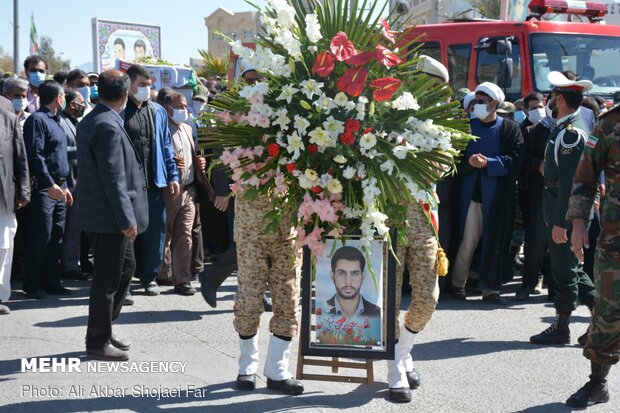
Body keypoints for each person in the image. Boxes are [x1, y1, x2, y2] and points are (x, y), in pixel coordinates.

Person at [77, 69, 148, 361]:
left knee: (126, 269)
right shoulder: (106, 124)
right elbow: (113, 178)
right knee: (107, 280)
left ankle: (105, 328)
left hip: (103, 215)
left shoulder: (96, 118)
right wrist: (125, 219)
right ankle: (97, 340)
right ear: (124, 94)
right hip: (109, 218)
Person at [387, 56, 446, 404]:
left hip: (422, 220)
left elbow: (437, 167)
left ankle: (405, 350)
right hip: (389, 220)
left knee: (427, 297)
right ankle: (395, 371)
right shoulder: (384, 116)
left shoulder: (438, 125)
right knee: (390, 300)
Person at [530, 71, 596, 345]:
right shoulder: (563, 130)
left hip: (567, 214)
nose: (549, 101)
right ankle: (603, 324)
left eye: (552, 96)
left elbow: (570, 183)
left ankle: (562, 326)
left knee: (565, 272)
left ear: (560, 99)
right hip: (563, 211)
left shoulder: (570, 135)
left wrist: (561, 222)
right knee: (573, 270)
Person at [565, 103, 620, 408]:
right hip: (616, 241)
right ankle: (598, 383)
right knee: (608, 312)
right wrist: (577, 223)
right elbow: (585, 178)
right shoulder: (609, 124)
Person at [451, 82, 523, 305]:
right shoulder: (466, 128)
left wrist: (489, 163)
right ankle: (457, 284)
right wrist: (471, 163)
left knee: (496, 241)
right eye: (475, 102)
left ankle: (490, 289)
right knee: (468, 242)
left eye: (481, 102)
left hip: (498, 197)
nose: (476, 106)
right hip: (471, 196)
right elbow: (455, 160)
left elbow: (517, 160)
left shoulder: (510, 129)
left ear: (494, 104)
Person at [123, 64, 179, 296]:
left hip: (154, 181)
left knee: (156, 231)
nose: (146, 89)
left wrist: (173, 175)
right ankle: (123, 281)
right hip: (128, 185)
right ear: (129, 85)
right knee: (127, 234)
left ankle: (149, 277)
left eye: (149, 85)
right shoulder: (119, 110)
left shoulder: (157, 111)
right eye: (142, 85)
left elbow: (166, 146)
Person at [21, 80, 73, 298]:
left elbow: (59, 156)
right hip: (44, 188)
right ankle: (31, 284)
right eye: (63, 95)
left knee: (57, 236)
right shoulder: (37, 120)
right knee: (41, 236)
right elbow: (36, 156)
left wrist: (65, 185)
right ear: (58, 97)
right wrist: (49, 183)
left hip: (60, 187)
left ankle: (51, 281)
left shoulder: (58, 120)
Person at [158, 92, 211, 295]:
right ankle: (163, 273)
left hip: (189, 189)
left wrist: (200, 163)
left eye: (185, 105)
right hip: (170, 190)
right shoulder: (161, 129)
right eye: (179, 106)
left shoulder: (188, 128)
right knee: (167, 233)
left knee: (185, 235)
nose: (184, 109)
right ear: (167, 108)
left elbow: (195, 153)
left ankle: (182, 279)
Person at [515, 92, 552, 301]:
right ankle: (529, 282)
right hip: (537, 192)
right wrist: (538, 164)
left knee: (560, 242)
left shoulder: (568, 129)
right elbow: (521, 157)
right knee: (536, 240)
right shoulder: (531, 130)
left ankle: (556, 287)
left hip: (562, 193)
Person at [0, 108, 30, 315]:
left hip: (3, 195)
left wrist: (24, 190)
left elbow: (21, 158)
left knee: (3, 246)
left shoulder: (9, 119)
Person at [58, 88, 91, 280]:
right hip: (68, 182)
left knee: (75, 228)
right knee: (70, 228)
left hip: (78, 182)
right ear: (71, 104)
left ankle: (73, 263)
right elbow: (60, 150)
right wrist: (81, 149)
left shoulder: (75, 122)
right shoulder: (61, 122)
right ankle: (69, 266)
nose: (83, 106)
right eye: (80, 102)